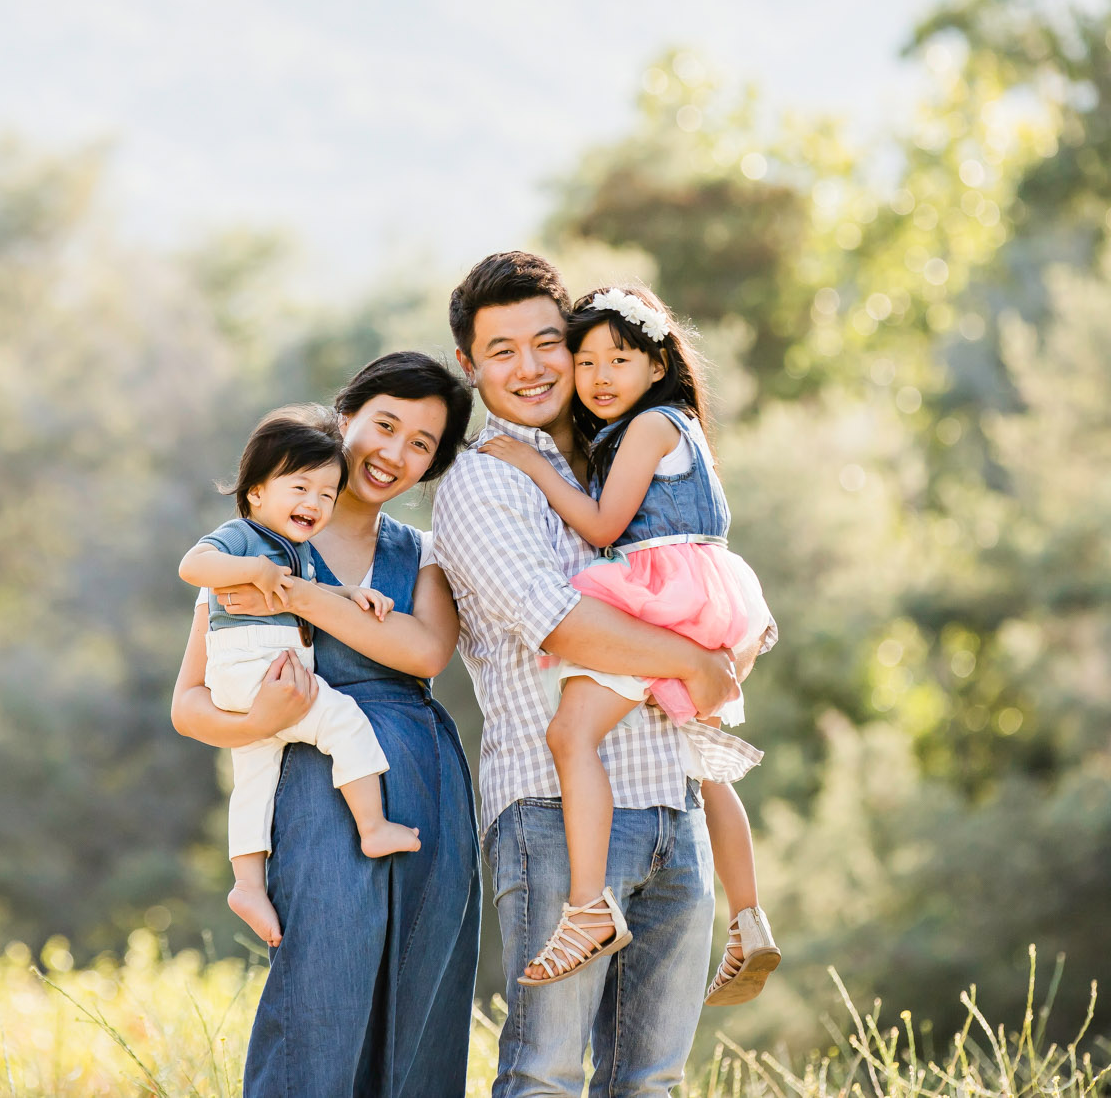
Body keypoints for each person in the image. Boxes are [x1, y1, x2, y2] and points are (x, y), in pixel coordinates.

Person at [433, 251, 763, 1098]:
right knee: (546, 1076)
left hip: (671, 804)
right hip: (554, 813)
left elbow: (703, 581)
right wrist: (696, 660)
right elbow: (562, 623)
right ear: (470, 367)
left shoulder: (619, 461)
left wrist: (726, 648)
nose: (534, 365)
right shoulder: (486, 482)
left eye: (550, 342)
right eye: (502, 350)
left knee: (650, 1081)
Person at [171, 352, 480, 1098]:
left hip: (423, 788)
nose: (395, 453)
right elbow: (187, 702)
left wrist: (300, 597)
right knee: (320, 994)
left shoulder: (423, 554)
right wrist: (255, 720)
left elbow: (425, 648)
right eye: (385, 424)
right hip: (312, 784)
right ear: (345, 417)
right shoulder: (250, 544)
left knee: (422, 1005)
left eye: (422, 443)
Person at [178, 404, 422, 947]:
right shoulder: (242, 536)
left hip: (262, 677)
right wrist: (250, 569)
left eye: (327, 494)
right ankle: (373, 826)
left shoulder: (300, 552)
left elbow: (307, 592)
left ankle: (246, 884)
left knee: (254, 782)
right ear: (257, 492)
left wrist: (348, 594)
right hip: (253, 670)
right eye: (299, 487)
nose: (314, 503)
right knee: (344, 722)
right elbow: (192, 566)